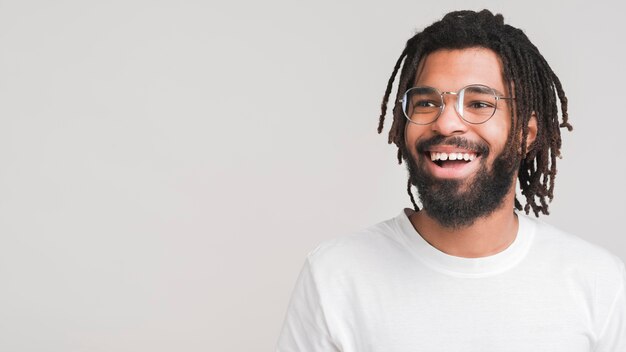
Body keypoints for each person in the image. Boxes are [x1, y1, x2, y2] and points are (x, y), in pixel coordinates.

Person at [276, 9, 626, 352]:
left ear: (525, 134)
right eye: (427, 102)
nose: (446, 124)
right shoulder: (336, 275)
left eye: (477, 104)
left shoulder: (598, 283)